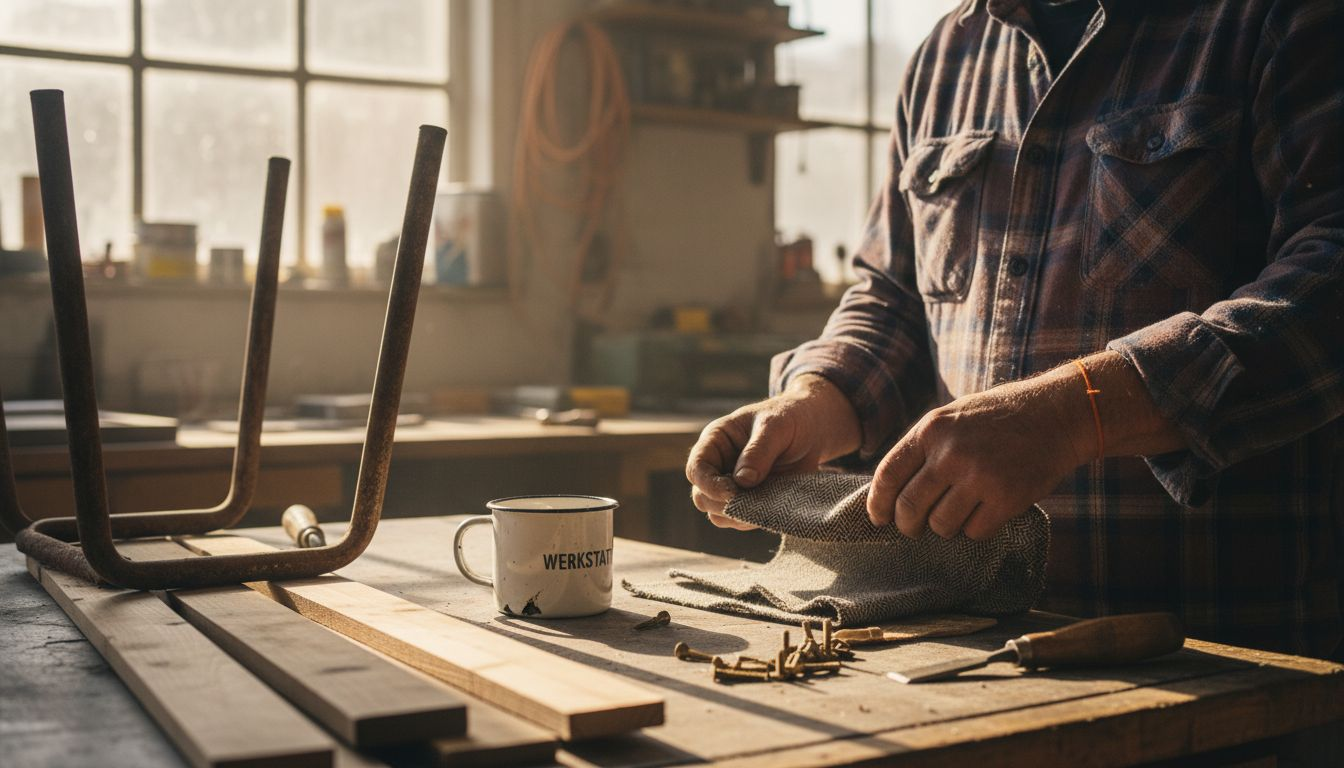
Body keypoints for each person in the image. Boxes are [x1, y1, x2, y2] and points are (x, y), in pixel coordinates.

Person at [687, 0, 1343, 660]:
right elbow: (892, 298)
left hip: (1218, 650)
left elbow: (1330, 277)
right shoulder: (945, 58)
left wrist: (1072, 416)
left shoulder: (1280, 20)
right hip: (966, 640)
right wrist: (818, 398)